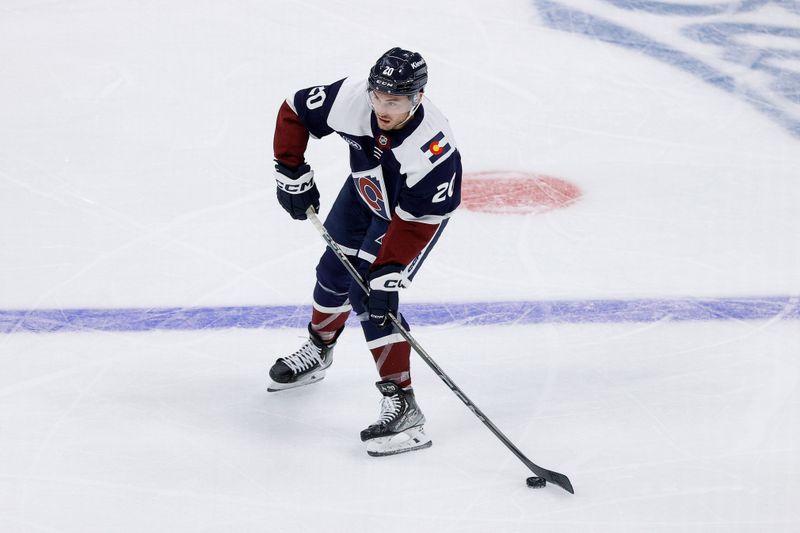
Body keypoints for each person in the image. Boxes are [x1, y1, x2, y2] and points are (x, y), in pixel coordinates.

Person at [269, 47, 462, 457]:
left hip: (410, 216)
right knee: (332, 272)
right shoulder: (354, 99)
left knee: (371, 297)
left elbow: (419, 220)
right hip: (365, 191)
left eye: (394, 101)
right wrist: (290, 169)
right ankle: (320, 348)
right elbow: (295, 109)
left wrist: (387, 271)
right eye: (378, 96)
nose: (382, 107)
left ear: (418, 98)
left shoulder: (432, 149)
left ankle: (403, 403)